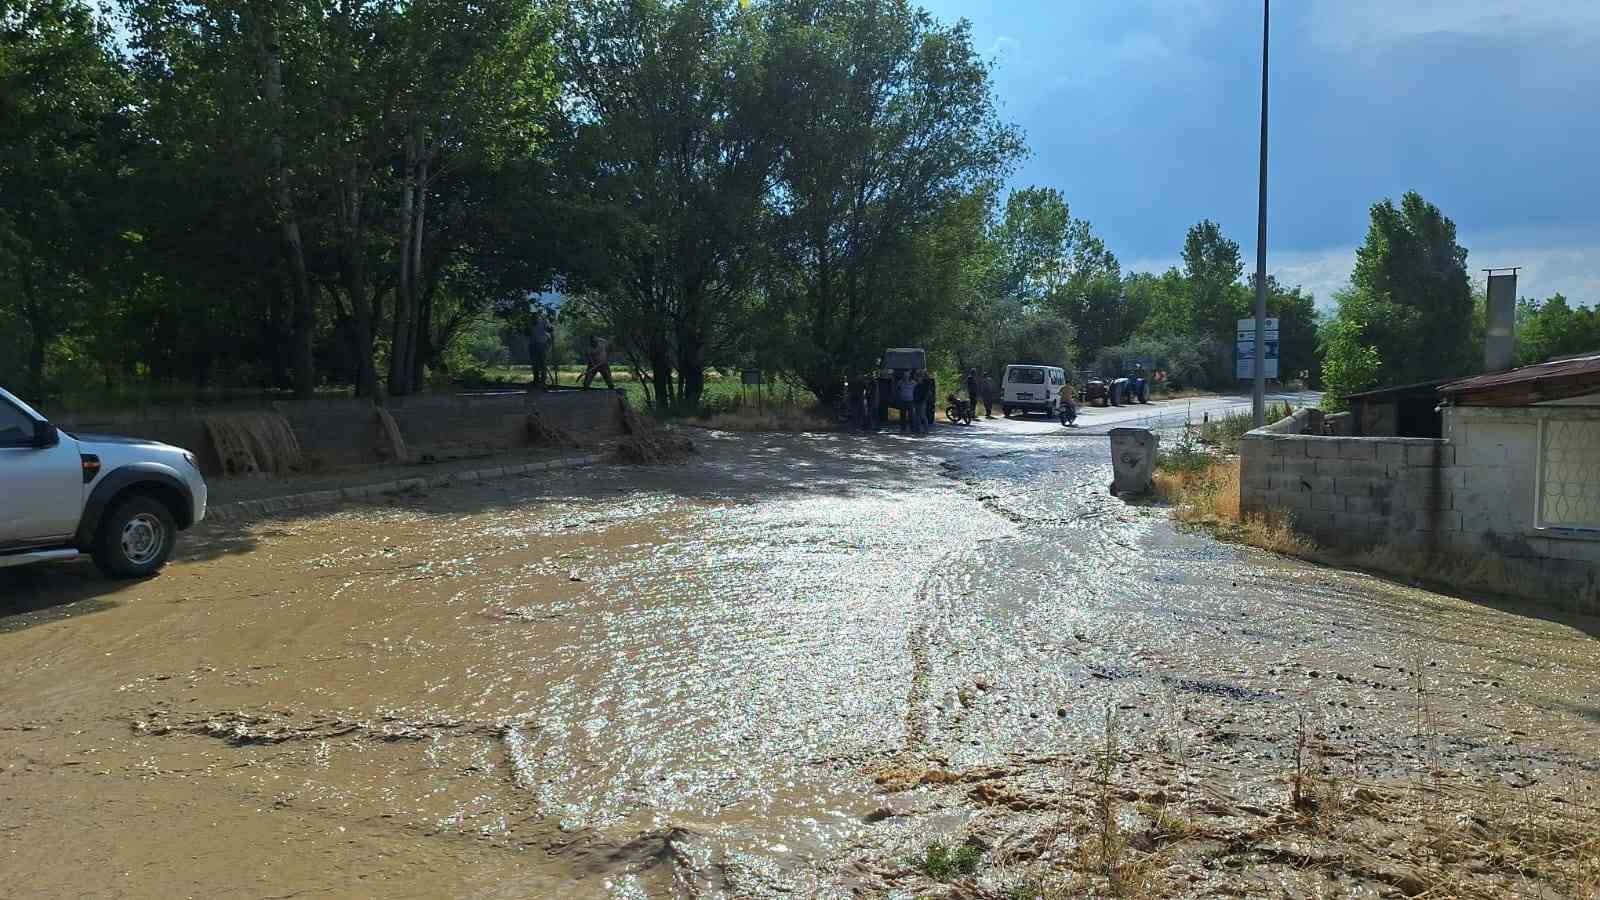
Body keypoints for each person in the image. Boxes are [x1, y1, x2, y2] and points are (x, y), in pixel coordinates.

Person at [528, 313, 554, 388]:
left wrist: (550, 328)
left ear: (537, 317)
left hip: (542, 344)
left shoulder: (543, 322)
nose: (533, 319)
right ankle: (536, 380)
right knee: (534, 363)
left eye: (534, 317)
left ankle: (543, 381)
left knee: (543, 363)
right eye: (532, 318)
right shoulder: (529, 324)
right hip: (533, 345)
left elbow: (550, 329)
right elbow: (527, 333)